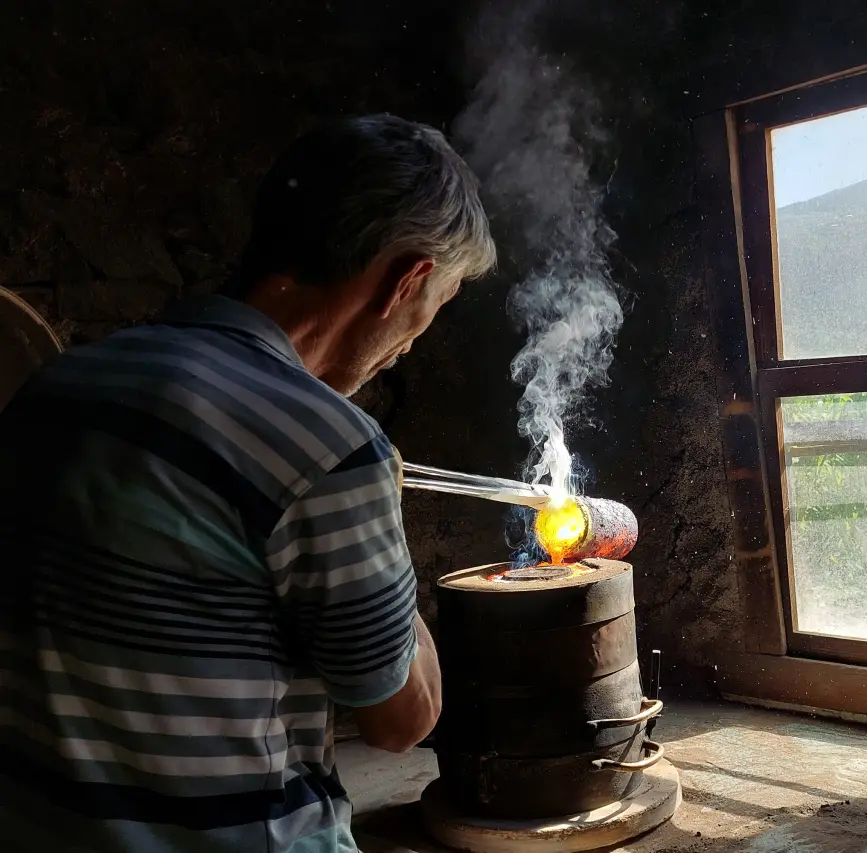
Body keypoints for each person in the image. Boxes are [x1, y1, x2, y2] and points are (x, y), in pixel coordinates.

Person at [0, 114, 496, 852]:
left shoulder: (60, 385)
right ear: (407, 280)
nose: (410, 344)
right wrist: (381, 529)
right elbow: (403, 721)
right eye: (436, 308)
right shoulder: (329, 447)